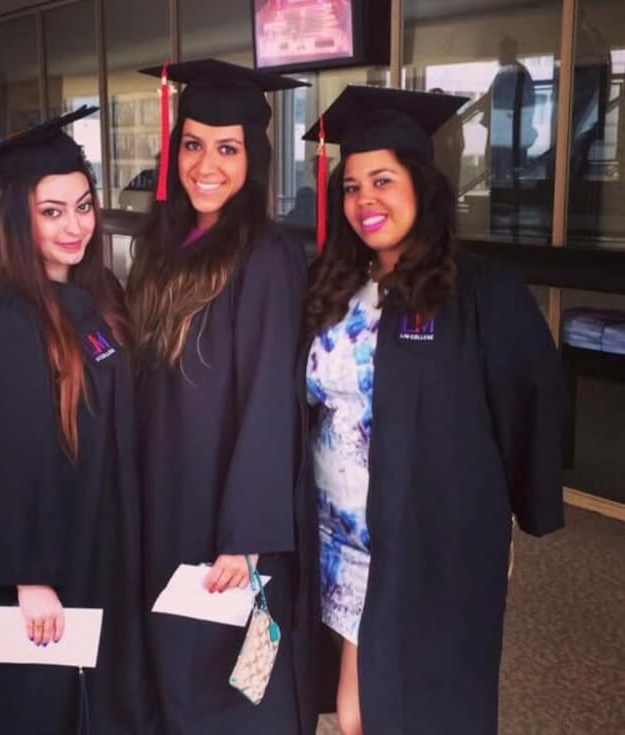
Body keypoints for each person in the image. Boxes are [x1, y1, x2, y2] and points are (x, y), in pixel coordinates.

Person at [301, 86, 565, 735]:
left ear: (422, 184)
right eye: (353, 186)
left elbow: (530, 397)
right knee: (356, 711)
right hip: (339, 542)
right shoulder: (337, 284)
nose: (366, 200)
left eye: (384, 180)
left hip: (426, 548)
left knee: (415, 711)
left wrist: (509, 514)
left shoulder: (480, 290)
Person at [0, 108, 155, 735]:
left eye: (83, 205)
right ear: (18, 218)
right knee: (46, 710)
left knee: (101, 704)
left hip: (96, 541)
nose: (75, 226)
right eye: (52, 211)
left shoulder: (96, 299)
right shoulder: (8, 322)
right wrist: (27, 577)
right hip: (44, 564)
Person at [124, 59, 319, 735]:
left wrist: (249, 535)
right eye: (193, 143)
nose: (206, 164)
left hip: (227, 518)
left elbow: (272, 394)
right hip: (163, 500)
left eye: (227, 147)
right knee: (171, 668)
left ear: (254, 158)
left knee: (232, 686)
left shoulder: (268, 256)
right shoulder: (160, 248)